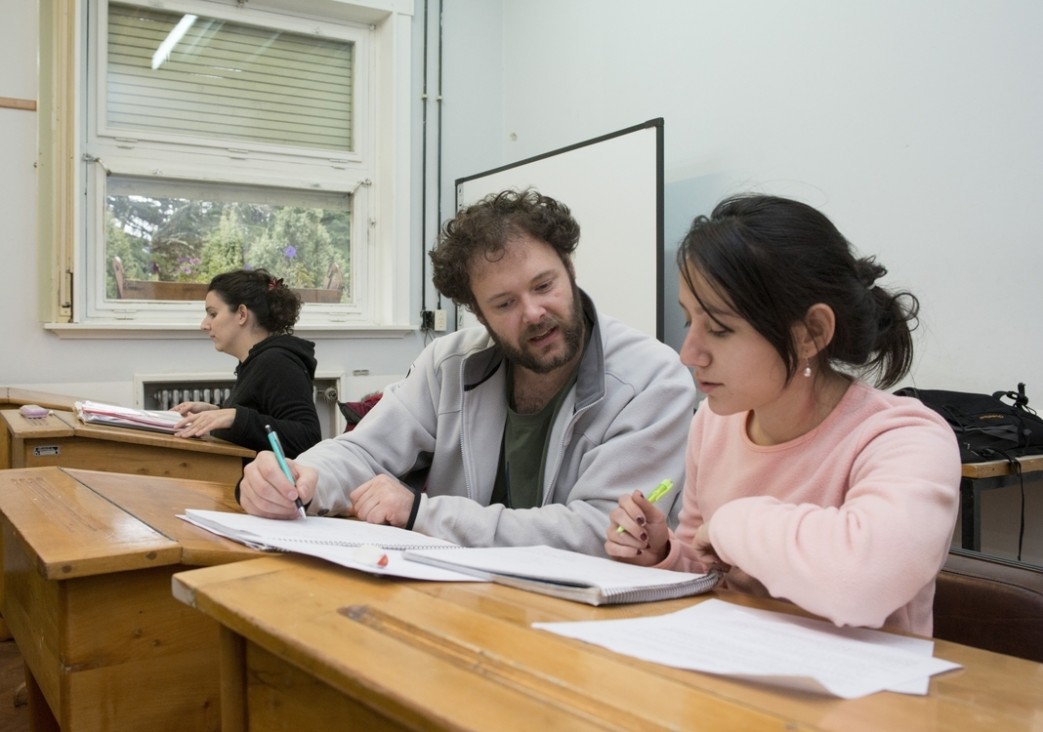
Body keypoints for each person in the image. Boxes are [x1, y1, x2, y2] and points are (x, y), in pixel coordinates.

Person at [237, 189, 696, 554]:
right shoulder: (449, 363)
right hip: (463, 600)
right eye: (504, 303)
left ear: (570, 270)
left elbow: (602, 532)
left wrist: (424, 514)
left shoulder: (653, 380)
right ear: (478, 313)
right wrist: (300, 477)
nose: (534, 313)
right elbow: (363, 452)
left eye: (544, 285)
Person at [606, 193, 960, 636]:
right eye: (688, 321)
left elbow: (863, 578)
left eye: (718, 328)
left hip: (865, 695)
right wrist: (660, 553)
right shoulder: (713, 423)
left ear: (811, 333)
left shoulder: (905, 438)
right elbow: (709, 567)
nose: (688, 354)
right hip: (738, 672)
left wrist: (732, 523)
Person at [172, 268, 322, 458]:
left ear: (242, 314)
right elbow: (258, 420)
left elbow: (308, 438)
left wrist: (235, 417)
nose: (204, 324)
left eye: (213, 314)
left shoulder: (276, 362)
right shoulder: (255, 362)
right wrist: (217, 413)